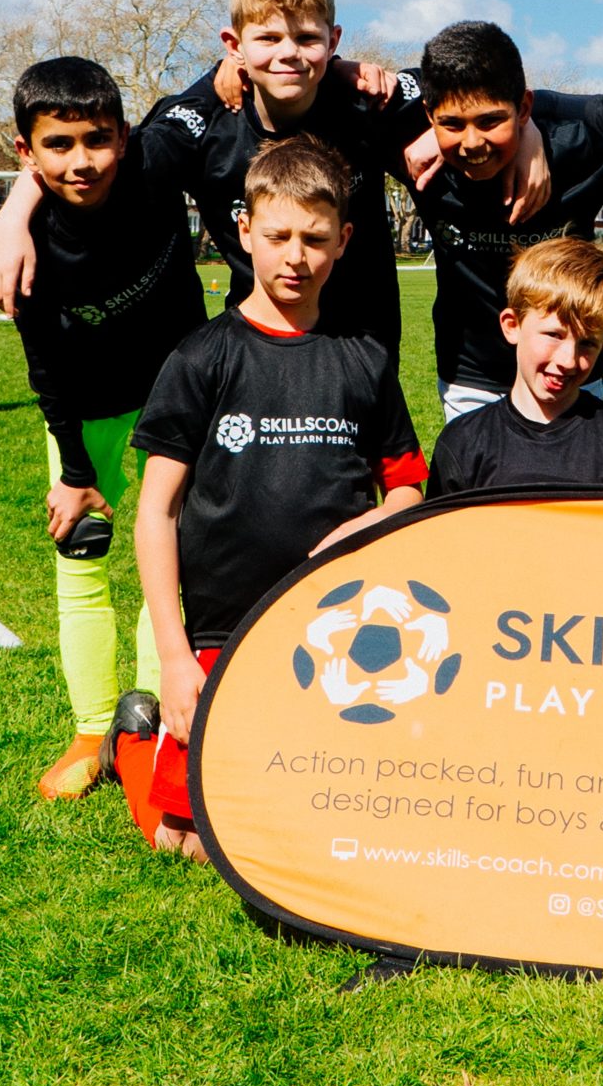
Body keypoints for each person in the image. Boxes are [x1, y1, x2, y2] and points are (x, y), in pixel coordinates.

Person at [0, 0, 548, 355]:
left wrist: (531, 136)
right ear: (234, 46)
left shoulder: (367, 100)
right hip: (256, 346)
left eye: (306, 39)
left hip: (363, 343)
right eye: (268, 39)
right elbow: (97, 159)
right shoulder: (204, 123)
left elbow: (484, 94)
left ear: (334, 41)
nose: (289, 55)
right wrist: (13, 214)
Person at [112, 137, 426, 862]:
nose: (295, 256)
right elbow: (156, 512)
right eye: (278, 235)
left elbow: (409, 488)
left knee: (328, 817)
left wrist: (371, 524)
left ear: (344, 241)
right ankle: (134, 739)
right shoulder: (202, 357)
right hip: (221, 635)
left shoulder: (364, 359)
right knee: (185, 842)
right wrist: (173, 656)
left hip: (338, 636)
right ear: (244, 231)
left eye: (315, 239)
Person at [8, 57, 210, 802]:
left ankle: (152, 721)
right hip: (84, 417)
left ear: (125, 137)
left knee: (178, 567)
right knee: (83, 563)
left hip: (178, 408)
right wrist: (72, 471)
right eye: (58, 145)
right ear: (25, 153)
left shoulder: (161, 158)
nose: (81, 160)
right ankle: (93, 730)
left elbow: (221, 81)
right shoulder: (25, 246)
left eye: (97, 139)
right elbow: (45, 368)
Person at [405, 21, 603, 419]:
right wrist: (433, 128)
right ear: (430, 115)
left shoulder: (576, 145)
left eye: (490, 121)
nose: (472, 143)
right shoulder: (420, 154)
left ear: (524, 107)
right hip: (470, 382)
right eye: (453, 124)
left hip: (571, 373)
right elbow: (350, 82)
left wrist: (532, 129)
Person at [427, 238, 603, 496]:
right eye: (554, 335)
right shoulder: (463, 443)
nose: (567, 361)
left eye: (587, 343)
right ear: (512, 325)